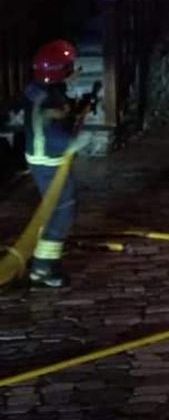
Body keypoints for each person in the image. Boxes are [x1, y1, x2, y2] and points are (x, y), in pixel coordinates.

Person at [23, 40, 92, 288]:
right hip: (49, 161)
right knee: (62, 210)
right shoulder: (49, 101)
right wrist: (76, 142)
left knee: (55, 208)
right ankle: (44, 267)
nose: (74, 70)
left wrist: (77, 110)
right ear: (59, 71)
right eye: (70, 67)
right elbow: (53, 132)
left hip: (43, 158)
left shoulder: (42, 91)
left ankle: (41, 257)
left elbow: (59, 117)